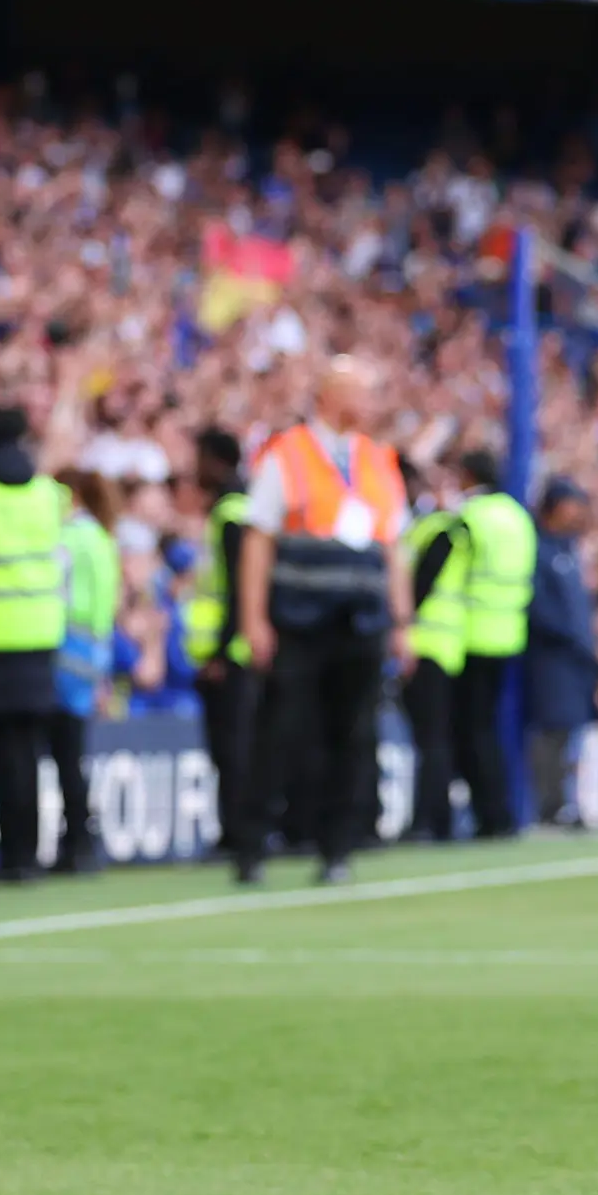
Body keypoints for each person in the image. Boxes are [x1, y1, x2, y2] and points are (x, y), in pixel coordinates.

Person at [232, 354, 409, 887]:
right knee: (279, 732)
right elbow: (258, 541)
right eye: (363, 391)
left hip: (361, 623)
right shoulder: (286, 455)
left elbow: (393, 548)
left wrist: (402, 623)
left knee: (352, 737)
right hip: (300, 620)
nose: (372, 403)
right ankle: (252, 845)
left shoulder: (379, 460)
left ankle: (337, 848)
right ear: (330, 395)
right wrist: (253, 618)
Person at [0, 402, 78, 881]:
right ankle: (30, 847)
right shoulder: (48, 493)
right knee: (30, 750)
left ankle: (16, 851)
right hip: (40, 634)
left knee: (1, 754)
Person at [444, 448, 536, 838]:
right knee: (488, 729)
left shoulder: (470, 518)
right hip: (509, 632)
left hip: (471, 634)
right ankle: (499, 811)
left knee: (473, 731)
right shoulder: (517, 516)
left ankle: (491, 814)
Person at [179, 425, 258, 851]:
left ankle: (239, 831)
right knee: (231, 747)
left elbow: (237, 591)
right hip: (231, 650)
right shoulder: (231, 509)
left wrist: (220, 652)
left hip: (230, 653)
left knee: (233, 748)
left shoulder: (231, 513)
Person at [522, 477, 598, 828]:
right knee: (551, 731)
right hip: (551, 656)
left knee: (569, 732)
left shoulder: (568, 549)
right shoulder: (538, 549)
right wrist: (569, 635)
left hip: (575, 657)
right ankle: (548, 806)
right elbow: (538, 605)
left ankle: (565, 802)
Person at [396, 460, 469, 841]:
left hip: (429, 644)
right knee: (434, 737)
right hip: (443, 644)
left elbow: (420, 585)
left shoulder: (439, 529)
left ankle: (428, 820)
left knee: (431, 738)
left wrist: (402, 629)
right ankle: (436, 819)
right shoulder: (430, 527)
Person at [54, 464, 123, 862]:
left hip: (66, 651)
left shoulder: (69, 539)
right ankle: (81, 837)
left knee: (64, 753)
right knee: (73, 751)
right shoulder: (100, 537)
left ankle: (76, 840)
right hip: (93, 651)